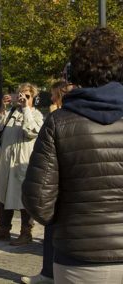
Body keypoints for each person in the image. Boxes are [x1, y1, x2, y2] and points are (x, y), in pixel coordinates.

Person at [22, 27, 123, 284]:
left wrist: (71, 223)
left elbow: (39, 202)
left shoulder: (59, 122)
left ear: (74, 70)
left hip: (78, 259)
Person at [21, 80, 74, 284]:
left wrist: (54, 116)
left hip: (63, 183)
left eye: (54, 95)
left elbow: (45, 141)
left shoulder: (60, 118)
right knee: (50, 231)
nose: (51, 98)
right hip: (57, 183)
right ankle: (48, 273)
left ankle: (52, 274)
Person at [0, 83, 43, 246]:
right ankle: (3, 230)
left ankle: (26, 233)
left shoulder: (36, 114)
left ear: (33, 98)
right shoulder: (11, 113)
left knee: (24, 199)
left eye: (27, 95)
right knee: (4, 195)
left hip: (23, 162)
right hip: (6, 161)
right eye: (19, 95)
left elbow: (31, 132)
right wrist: (3, 108)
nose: (22, 98)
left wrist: (26, 109)